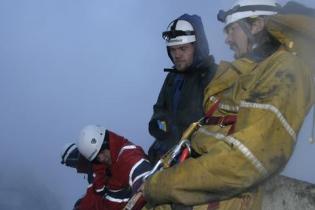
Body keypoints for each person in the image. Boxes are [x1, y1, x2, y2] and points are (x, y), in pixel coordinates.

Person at [141, 0, 315, 210]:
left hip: (213, 199)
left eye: (232, 30)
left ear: (257, 25)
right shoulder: (249, 71)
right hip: (192, 187)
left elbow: (247, 157)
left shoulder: (285, 69)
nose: (227, 39)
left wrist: (163, 184)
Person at [148, 14, 217, 164]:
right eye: (172, 50)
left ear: (197, 47)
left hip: (195, 158)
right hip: (168, 153)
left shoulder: (212, 76)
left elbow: (215, 122)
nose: (177, 55)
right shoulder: (173, 77)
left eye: (182, 48)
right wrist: (159, 124)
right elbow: (160, 109)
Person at [61, 125, 152, 210]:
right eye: (96, 157)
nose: (101, 158)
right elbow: (95, 194)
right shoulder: (102, 167)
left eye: (101, 152)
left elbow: (145, 185)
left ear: (107, 142)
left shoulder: (128, 155)